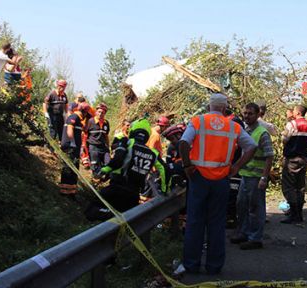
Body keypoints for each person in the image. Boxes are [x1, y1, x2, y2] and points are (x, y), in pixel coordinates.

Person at [178, 93, 256, 274]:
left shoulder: (198, 121)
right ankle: (214, 267)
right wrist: (236, 166)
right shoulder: (233, 127)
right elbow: (251, 146)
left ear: (209, 107)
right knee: (217, 223)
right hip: (221, 179)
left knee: (195, 222)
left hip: (199, 178)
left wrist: (187, 165)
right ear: (224, 108)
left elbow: (183, 142)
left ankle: (192, 264)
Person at [85, 119, 167, 220]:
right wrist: (164, 189)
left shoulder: (127, 142)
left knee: (90, 211)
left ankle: (109, 216)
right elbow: (163, 169)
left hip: (117, 188)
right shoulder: (153, 153)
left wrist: (104, 170)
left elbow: (117, 160)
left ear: (133, 130)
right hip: (134, 195)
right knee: (124, 221)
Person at [231, 103, 274, 250]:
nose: (247, 116)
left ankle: (255, 238)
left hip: (256, 176)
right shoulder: (246, 131)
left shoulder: (262, 133)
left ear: (257, 115)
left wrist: (264, 178)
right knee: (241, 205)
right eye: (245, 113)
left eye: (250, 113)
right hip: (245, 175)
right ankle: (243, 232)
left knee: (255, 208)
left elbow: (269, 156)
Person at [280, 105, 307, 224]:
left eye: (293, 110)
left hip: (292, 158)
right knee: (300, 186)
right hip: (303, 158)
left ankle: (293, 213)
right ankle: (299, 213)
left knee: (289, 186)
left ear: (298, 112)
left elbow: (284, 139)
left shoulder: (292, 124)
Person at [59, 102, 89, 195]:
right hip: (70, 147)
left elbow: (85, 129)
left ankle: (71, 192)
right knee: (68, 168)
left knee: (74, 168)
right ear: (84, 112)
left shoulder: (79, 120)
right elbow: (69, 130)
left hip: (75, 148)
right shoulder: (74, 117)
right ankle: (64, 191)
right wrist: (72, 142)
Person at [87, 103, 110, 178]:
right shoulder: (90, 121)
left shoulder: (106, 123)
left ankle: (103, 180)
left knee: (108, 164)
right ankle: (94, 182)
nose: (100, 114)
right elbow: (84, 134)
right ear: (96, 112)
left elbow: (106, 136)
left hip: (103, 147)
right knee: (95, 167)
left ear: (105, 114)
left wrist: (108, 147)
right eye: (99, 112)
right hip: (93, 147)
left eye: (102, 112)